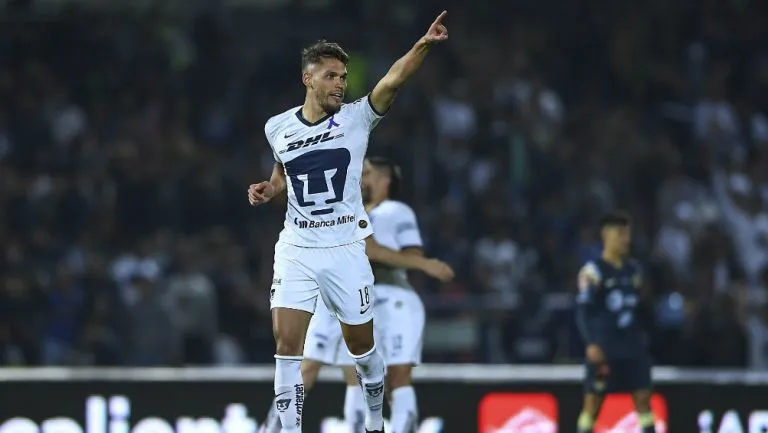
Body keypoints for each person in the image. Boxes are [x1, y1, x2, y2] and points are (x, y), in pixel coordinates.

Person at [247, 12, 449, 433]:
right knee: (288, 347)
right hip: (297, 248)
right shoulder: (277, 127)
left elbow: (393, 80)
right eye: (331, 76)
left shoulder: (358, 118)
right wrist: (270, 187)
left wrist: (423, 45)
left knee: (363, 350)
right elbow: (284, 169)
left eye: (343, 76)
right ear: (308, 79)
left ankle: (375, 421)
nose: (340, 83)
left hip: (345, 249)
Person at [259, 157, 452, 433]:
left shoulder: (393, 211)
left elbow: (387, 250)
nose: (362, 178)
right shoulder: (346, 206)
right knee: (339, 371)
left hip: (379, 296)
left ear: (385, 180)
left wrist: (420, 263)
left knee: (380, 375)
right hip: (336, 294)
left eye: (368, 173)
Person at [575, 212, 657, 433]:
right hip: (605, 350)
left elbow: (641, 308)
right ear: (606, 235)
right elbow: (583, 310)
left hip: (632, 348)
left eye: (627, 234)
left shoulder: (634, 271)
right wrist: (591, 343)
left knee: (643, 400)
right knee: (592, 404)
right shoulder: (593, 272)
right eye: (620, 234)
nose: (626, 239)